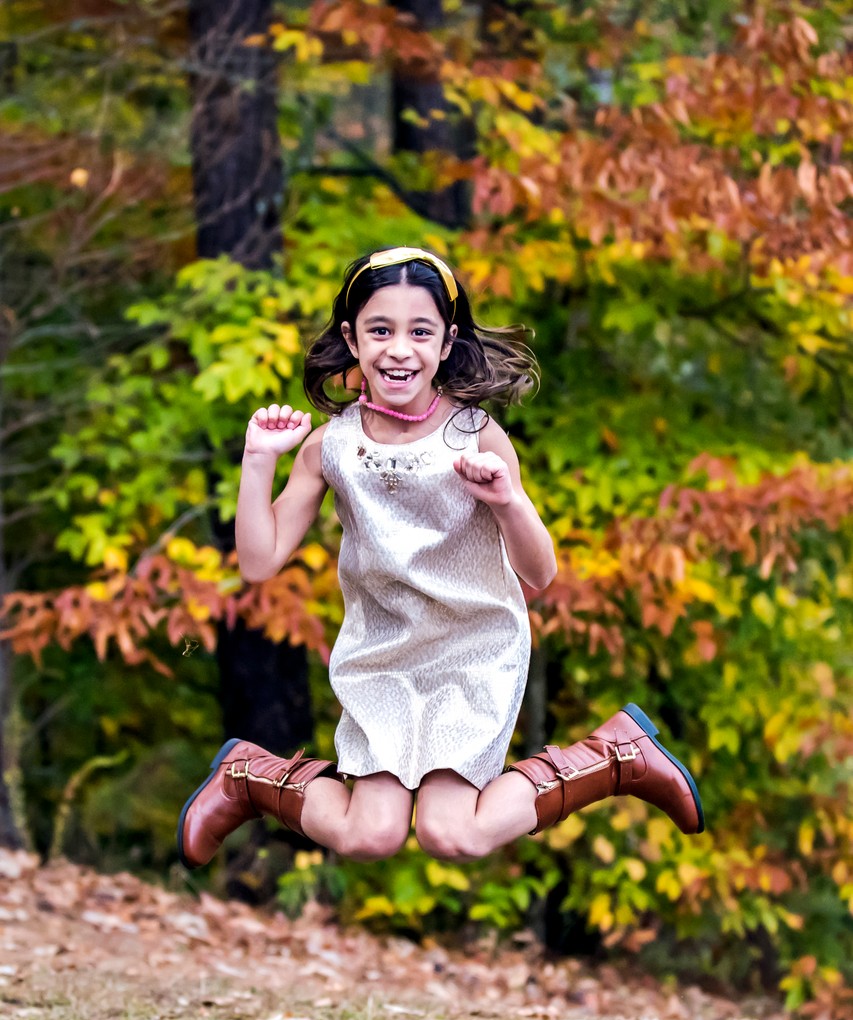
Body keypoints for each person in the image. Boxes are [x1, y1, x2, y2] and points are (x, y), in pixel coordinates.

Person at [177, 246, 704, 870]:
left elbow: (540, 573)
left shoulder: (475, 434)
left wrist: (507, 500)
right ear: (351, 339)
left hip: (472, 650)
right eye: (380, 330)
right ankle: (246, 776)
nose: (399, 349)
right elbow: (259, 563)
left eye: (420, 332)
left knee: (453, 834)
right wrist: (258, 457)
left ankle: (616, 756)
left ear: (448, 341)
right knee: (368, 834)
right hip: (381, 656)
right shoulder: (331, 446)